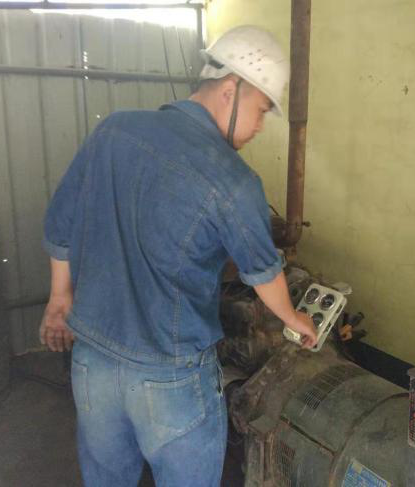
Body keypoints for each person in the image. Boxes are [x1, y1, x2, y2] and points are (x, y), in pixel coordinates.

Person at [39, 25, 317, 487]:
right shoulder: (233, 179)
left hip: (92, 362)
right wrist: (293, 318)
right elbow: (262, 271)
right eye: (261, 110)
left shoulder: (113, 130)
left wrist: (59, 298)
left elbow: (60, 223)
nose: (259, 127)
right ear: (231, 89)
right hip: (169, 378)